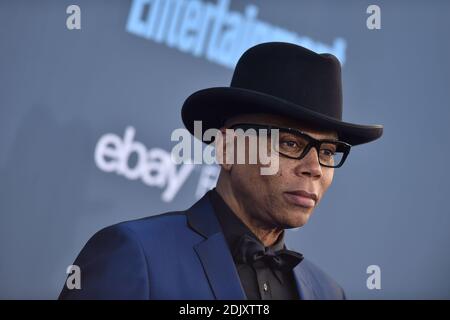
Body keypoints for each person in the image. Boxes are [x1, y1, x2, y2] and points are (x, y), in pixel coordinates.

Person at [59, 42, 383, 300]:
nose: (314, 168)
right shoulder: (134, 255)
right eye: (291, 144)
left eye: (327, 151)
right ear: (227, 148)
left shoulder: (328, 293)